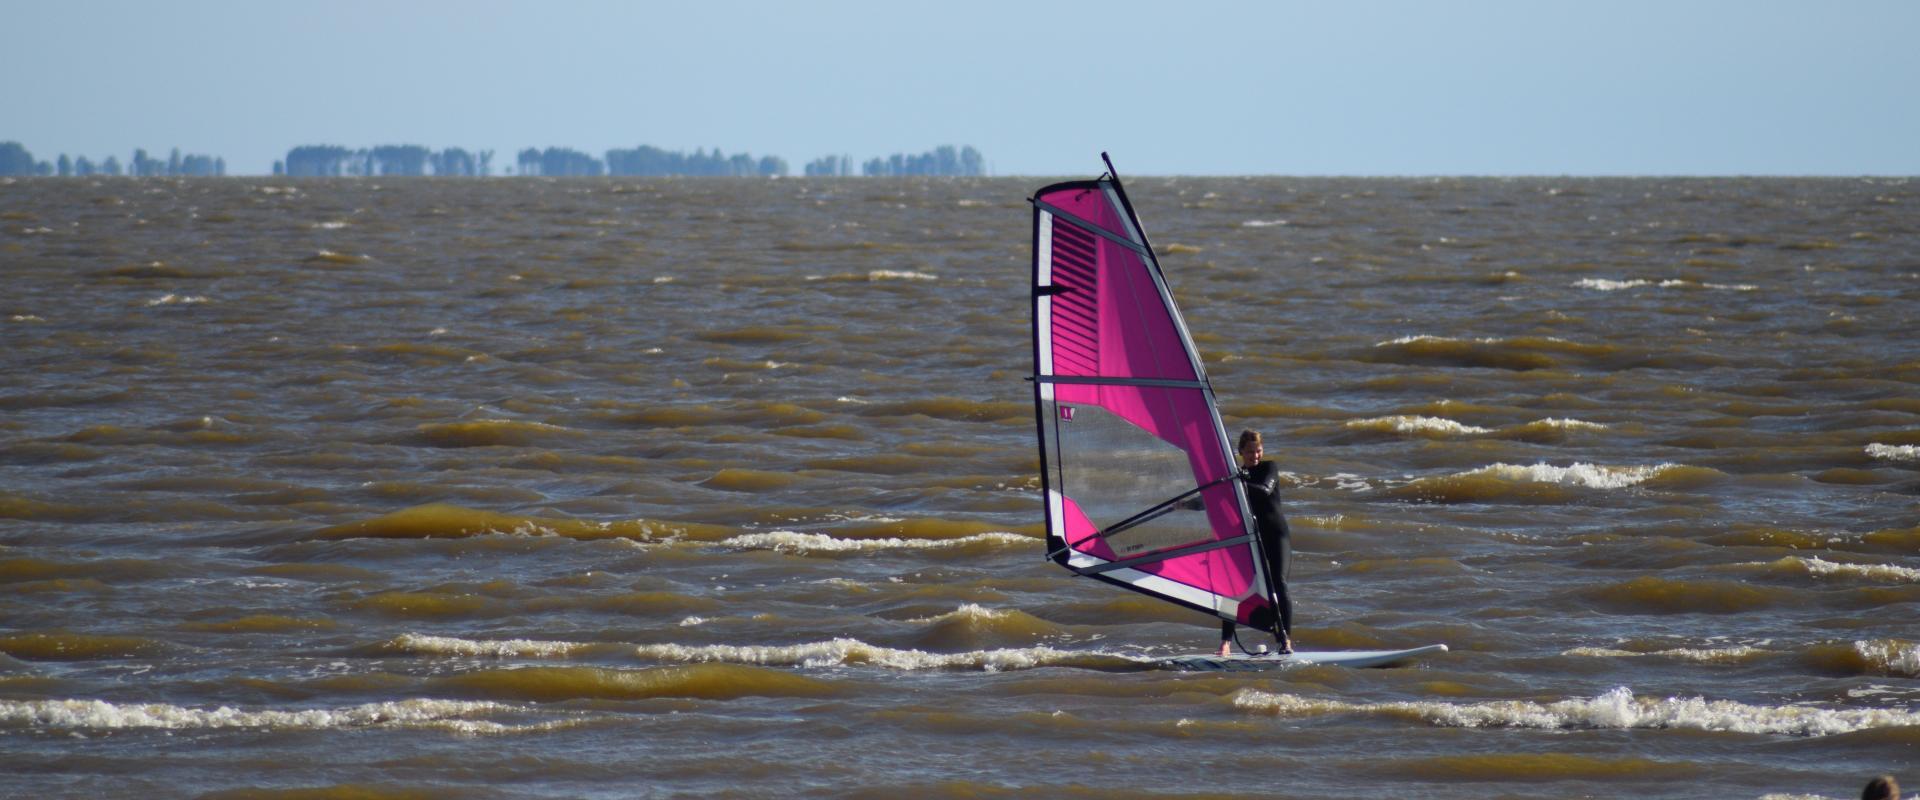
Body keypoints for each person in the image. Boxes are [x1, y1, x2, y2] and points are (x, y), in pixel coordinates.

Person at [1219, 429, 1294, 657]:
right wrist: (1187, 505)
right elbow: (1217, 498)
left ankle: (1285, 640)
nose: (1255, 456)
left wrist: (1239, 481)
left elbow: (1264, 490)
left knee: (1279, 584)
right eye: (1250, 452)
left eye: (1258, 450)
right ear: (1241, 452)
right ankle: (1225, 644)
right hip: (1252, 539)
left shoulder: (1269, 468)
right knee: (1232, 588)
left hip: (1276, 535)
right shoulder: (1238, 476)